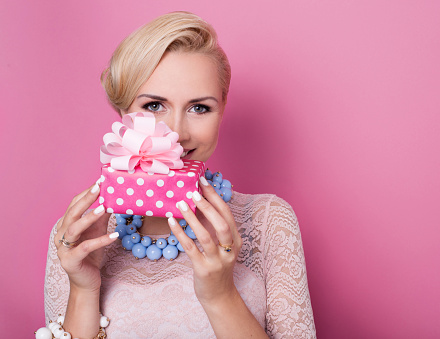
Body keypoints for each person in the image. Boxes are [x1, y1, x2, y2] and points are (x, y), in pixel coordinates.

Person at [43, 11, 316, 338]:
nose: (175, 134)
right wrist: (84, 289)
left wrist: (220, 295)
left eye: (199, 108)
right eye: (154, 106)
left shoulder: (267, 221)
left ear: (222, 109)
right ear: (122, 112)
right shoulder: (78, 236)